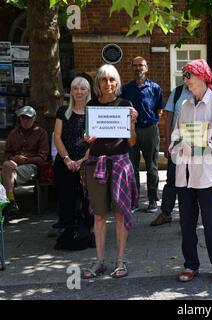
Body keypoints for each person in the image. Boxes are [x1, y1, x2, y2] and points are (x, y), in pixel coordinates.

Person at [169, 59, 212, 284]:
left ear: (204, 77)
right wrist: (178, 146)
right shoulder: (185, 105)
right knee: (186, 222)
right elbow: (175, 136)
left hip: (209, 174)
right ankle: (190, 264)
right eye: (185, 76)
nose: (186, 81)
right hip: (185, 173)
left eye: (190, 76)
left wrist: (195, 147)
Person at [81, 64, 138, 279]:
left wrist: (132, 123)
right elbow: (87, 141)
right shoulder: (92, 106)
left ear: (117, 82)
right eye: (103, 80)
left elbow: (131, 141)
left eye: (112, 79)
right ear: (98, 83)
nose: (108, 84)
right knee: (98, 215)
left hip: (120, 163)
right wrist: (88, 139)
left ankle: (121, 260)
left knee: (120, 213)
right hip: (96, 164)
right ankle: (99, 261)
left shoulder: (125, 105)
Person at [122, 56, 164, 213]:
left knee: (151, 166)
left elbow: (159, 109)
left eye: (141, 65)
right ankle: (134, 201)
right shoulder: (126, 89)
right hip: (131, 131)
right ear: (132, 68)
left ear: (146, 68)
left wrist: (152, 122)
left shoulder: (155, 88)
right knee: (132, 167)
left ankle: (152, 200)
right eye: (135, 65)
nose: (138, 68)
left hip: (149, 130)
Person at [52, 76, 91, 231]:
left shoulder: (93, 112)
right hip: (64, 162)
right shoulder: (63, 111)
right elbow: (57, 136)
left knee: (88, 199)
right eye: (75, 88)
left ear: (88, 91)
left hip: (87, 162)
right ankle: (67, 231)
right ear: (71, 92)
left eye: (83, 89)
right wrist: (67, 160)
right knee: (66, 198)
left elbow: (96, 141)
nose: (79, 92)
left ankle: (88, 231)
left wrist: (82, 160)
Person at [150, 83, 191, 226]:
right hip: (177, 143)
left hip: (196, 144)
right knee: (172, 179)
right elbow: (169, 119)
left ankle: (191, 214)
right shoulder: (178, 92)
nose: (186, 77)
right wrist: (168, 143)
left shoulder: (204, 91)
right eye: (185, 73)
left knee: (194, 180)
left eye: (190, 73)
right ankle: (166, 213)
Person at [2, 106, 49, 215]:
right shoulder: (14, 133)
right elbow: (6, 153)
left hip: (32, 165)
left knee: (5, 174)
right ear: (20, 118)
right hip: (13, 163)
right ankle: (10, 203)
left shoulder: (41, 133)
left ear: (34, 118)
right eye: (23, 118)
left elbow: (42, 157)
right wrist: (13, 158)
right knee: (7, 166)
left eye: (28, 118)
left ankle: (9, 202)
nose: (26, 121)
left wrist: (26, 160)